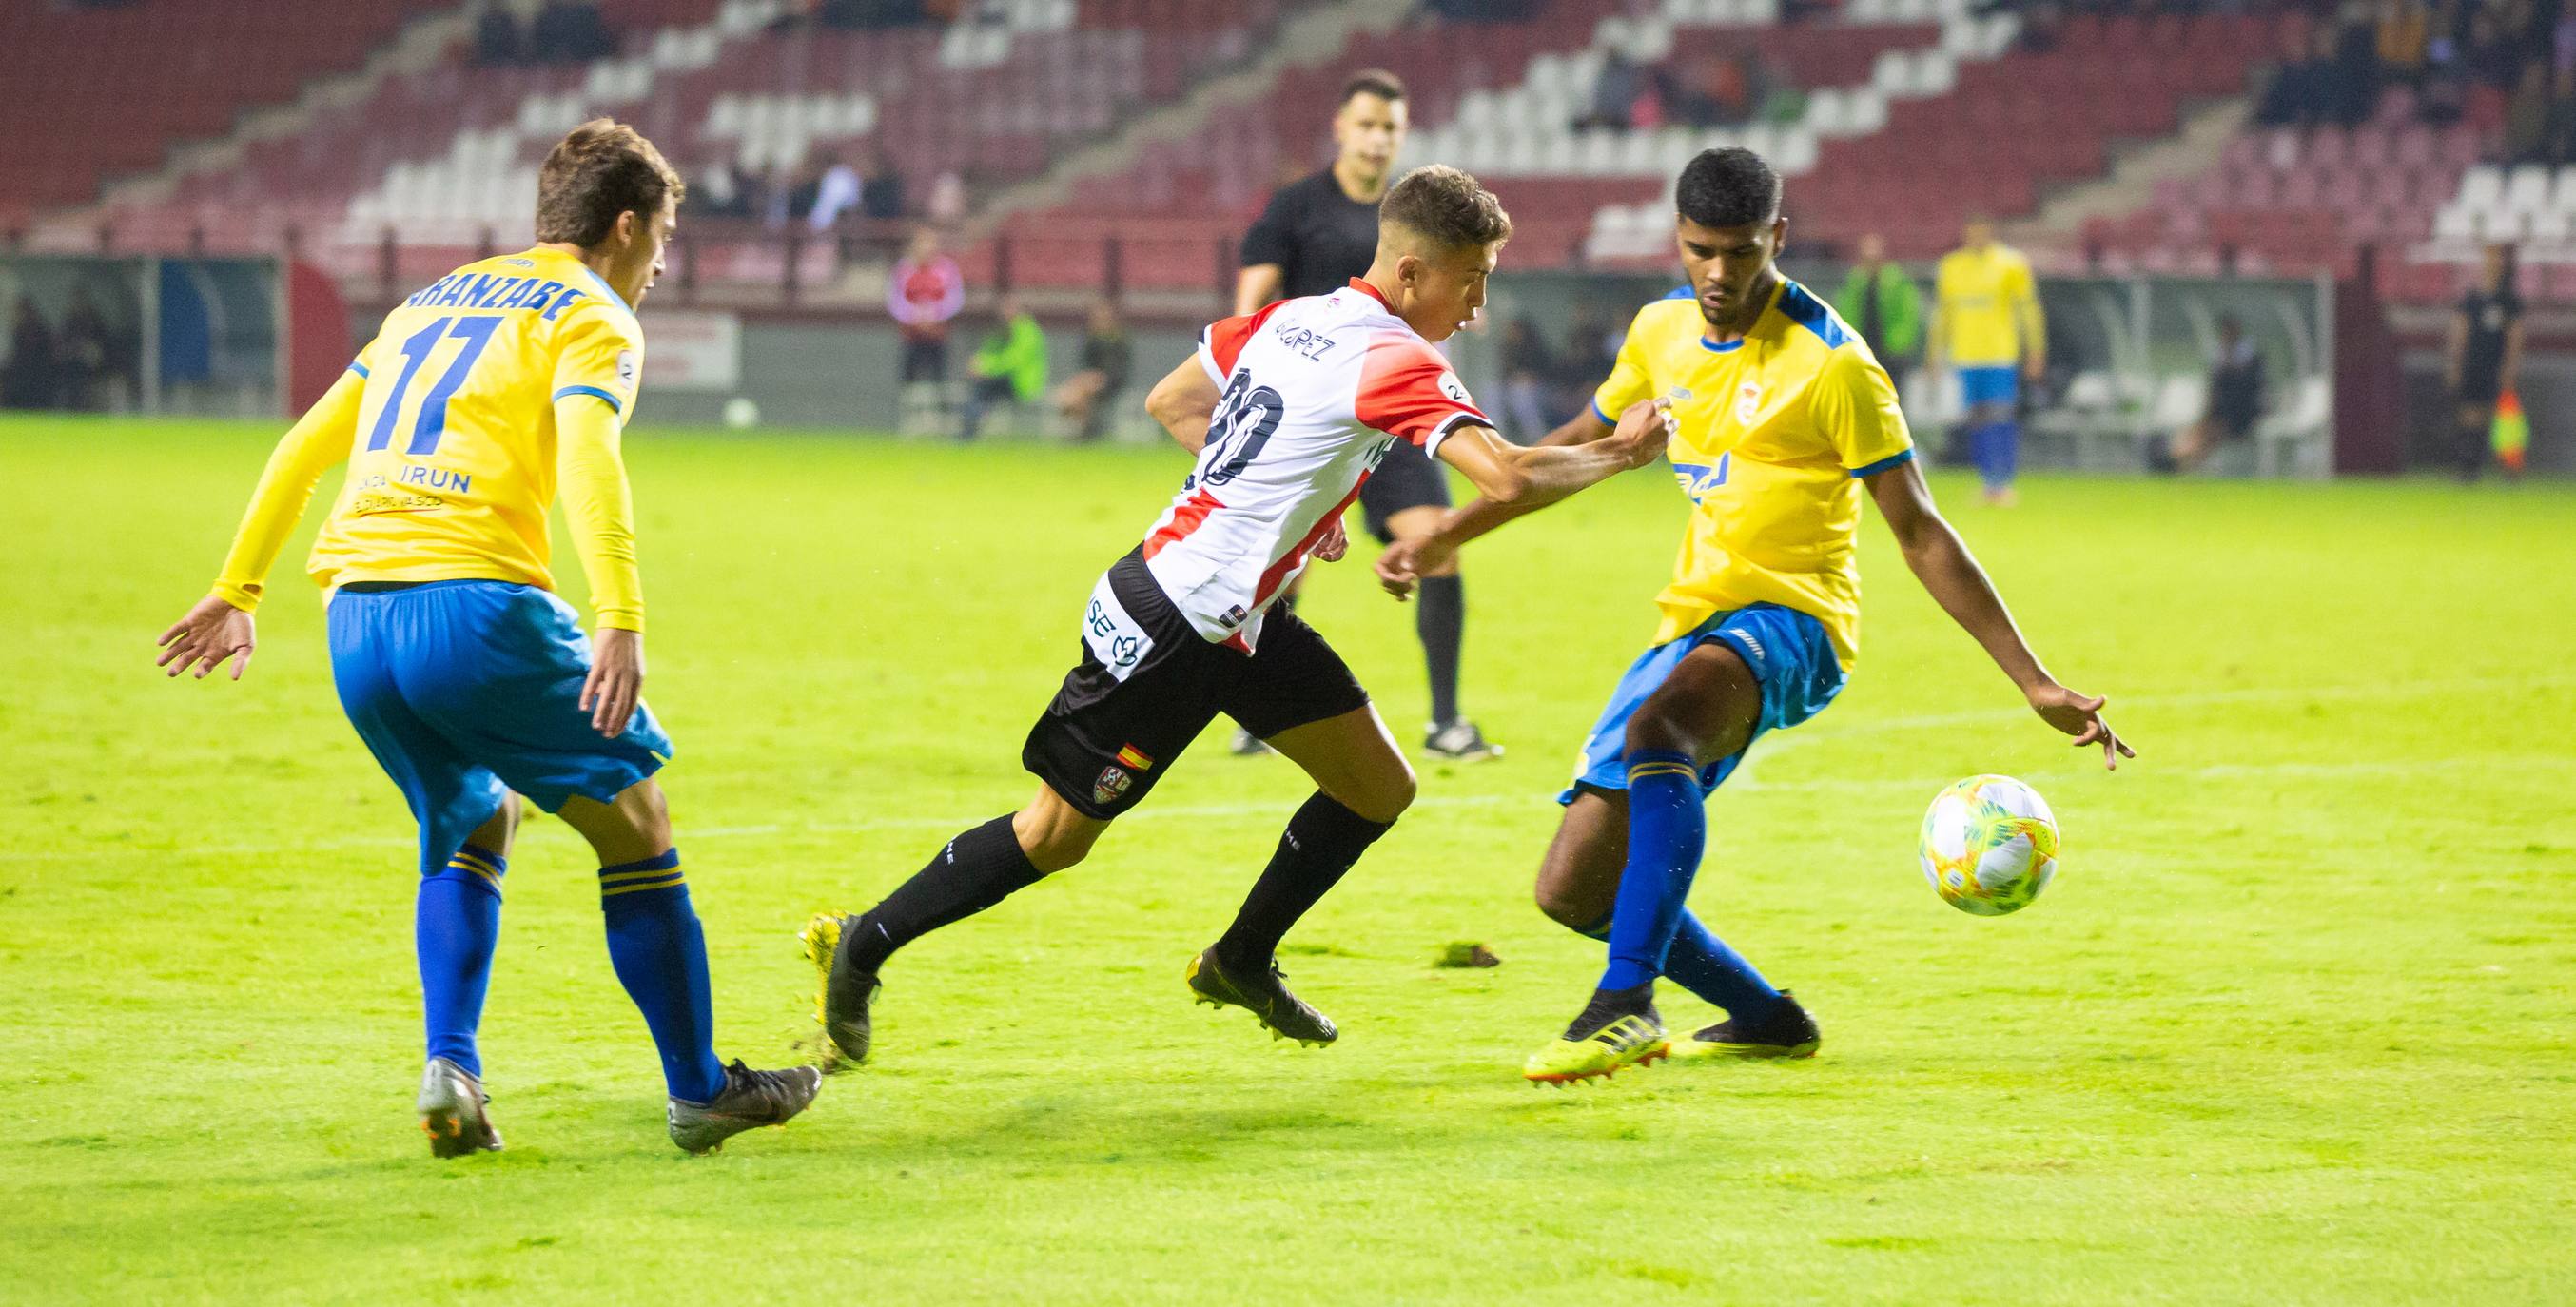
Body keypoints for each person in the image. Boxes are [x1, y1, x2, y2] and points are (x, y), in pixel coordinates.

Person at [802, 166, 1675, 1068]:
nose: (1478, 306)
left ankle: (1241, 960)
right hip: (1179, 624)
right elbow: (1509, 476)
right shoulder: (1399, 358)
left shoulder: (1293, 317)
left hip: (1233, 615)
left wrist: (1274, 503)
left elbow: (1173, 400)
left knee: (1378, 786)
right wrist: (1621, 452)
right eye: (1472, 279)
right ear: (1412, 274)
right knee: (1053, 837)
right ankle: (864, 943)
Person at [1373, 148, 2131, 1085]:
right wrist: (1447, 531)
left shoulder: (1834, 365)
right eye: (1701, 252)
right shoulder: (1658, 333)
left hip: (1798, 620)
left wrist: (2032, 680)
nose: (1720, 274)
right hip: (1696, 619)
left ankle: (1624, 1005)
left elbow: (1920, 531)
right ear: (1677, 243)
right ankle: (1767, 1018)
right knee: (1571, 889)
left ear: (1776, 236)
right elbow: (1571, 448)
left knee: (1659, 731)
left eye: (1740, 252)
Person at [151, 120, 822, 1158]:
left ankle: (450, 1069)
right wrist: (619, 617)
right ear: (628, 225)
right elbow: (591, 465)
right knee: (637, 819)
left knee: (474, 818)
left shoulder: (429, 302)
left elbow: (299, 450)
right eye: (665, 237)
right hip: (470, 608)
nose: (661, 263)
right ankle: (699, 1089)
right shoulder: (593, 315)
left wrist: (236, 587)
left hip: (357, 619)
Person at [1238, 69, 1497, 763]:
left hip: (1395, 413)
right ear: (1340, 129)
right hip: (1312, 414)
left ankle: (1446, 722)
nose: (1379, 138)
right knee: (1283, 566)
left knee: (1437, 546)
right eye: (1367, 125)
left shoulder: (1414, 216)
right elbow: (1254, 292)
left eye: (1391, 127)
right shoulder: (1296, 207)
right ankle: (1253, 709)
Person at [1929, 216, 2045, 506]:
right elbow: (1943, 314)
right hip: (1966, 356)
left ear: (1991, 232)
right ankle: (1987, 482)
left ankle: (2003, 480)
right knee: (1976, 420)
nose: (1977, 236)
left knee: (2001, 417)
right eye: (1972, 231)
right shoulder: (1951, 266)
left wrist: (2035, 350)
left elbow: (2028, 309)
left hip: (1999, 355)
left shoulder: (2011, 264)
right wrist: (1934, 353)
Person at [2446, 243, 2524, 481]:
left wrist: (2510, 367)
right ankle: (2469, 468)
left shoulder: (2509, 300)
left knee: (2504, 417)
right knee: (2471, 415)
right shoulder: (2472, 298)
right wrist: (2455, 364)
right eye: (2490, 257)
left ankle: (2510, 467)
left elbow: (2514, 335)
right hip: (2474, 365)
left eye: (2498, 257)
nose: (2494, 262)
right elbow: (2460, 331)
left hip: (2496, 365)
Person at [887, 226, 964, 429]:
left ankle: (940, 423)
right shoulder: (904, 269)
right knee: (909, 380)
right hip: (912, 335)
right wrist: (914, 317)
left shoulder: (947, 269)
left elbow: (955, 298)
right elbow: (896, 300)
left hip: (937, 335)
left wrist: (934, 316)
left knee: (939, 380)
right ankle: (908, 422)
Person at [2170, 314, 2265, 473]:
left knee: (2211, 433)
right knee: (2199, 429)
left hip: (2242, 414)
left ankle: (2183, 462)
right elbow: (2214, 391)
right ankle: (2179, 456)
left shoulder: (2249, 358)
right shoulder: (2220, 356)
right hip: (2220, 412)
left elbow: (2248, 392)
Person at [1830, 233, 1923, 372]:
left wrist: (1900, 343)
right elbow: (1846, 313)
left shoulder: (1897, 281)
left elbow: (1908, 315)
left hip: (1891, 351)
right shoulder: (1854, 282)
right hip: (1862, 349)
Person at [957, 294, 1046, 439]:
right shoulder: (1004, 330)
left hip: (1021, 381)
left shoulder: (1027, 331)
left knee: (982, 388)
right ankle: (970, 425)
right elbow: (989, 350)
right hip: (1006, 379)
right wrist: (979, 362)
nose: (1005, 314)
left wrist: (985, 368)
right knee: (982, 388)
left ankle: (969, 429)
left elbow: (1014, 360)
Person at [1054, 298, 1133, 442]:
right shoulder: (1090, 339)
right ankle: (1081, 428)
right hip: (1090, 380)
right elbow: (1084, 364)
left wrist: (1101, 378)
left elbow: (1119, 368)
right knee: (1071, 393)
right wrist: (1087, 377)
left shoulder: (1118, 340)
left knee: (1081, 393)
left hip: (1112, 382)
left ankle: (1085, 430)